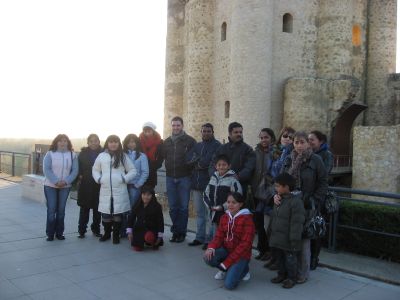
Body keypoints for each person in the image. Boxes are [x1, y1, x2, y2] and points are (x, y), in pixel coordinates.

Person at [281, 131, 328, 283]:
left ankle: (303, 273)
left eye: (302, 142)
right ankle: (289, 271)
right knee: (290, 238)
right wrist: (278, 195)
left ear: (308, 144)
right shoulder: (289, 159)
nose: (299, 145)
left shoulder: (316, 160)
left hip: (307, 205)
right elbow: (282, 180)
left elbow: (322, 182)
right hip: (290, 203)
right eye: (296, 142)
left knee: (304, 240)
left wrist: (315, 199)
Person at [203, 192, 255, 290]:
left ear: (241, 204)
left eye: (234, 202)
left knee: (229, 285)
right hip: (227, 250)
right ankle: (227, 269)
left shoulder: (247, 220)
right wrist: (211, 247)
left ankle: (244, 269)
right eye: (228, 202)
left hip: (241, 255)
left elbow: (245, 245)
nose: (230, 205)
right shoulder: (224, 217)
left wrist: (226, 263)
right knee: (207, 256)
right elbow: (218, 236)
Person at [92, 135, 136, 244]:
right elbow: (95, 169)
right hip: (105, 190)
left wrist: (124, 178)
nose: (113, 144)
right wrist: (99, 178)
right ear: (107, 143)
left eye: (115, 142)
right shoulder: (101, 156)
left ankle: (116, 235)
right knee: (106, 214)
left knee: (117, 214)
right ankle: (107, 233)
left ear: (119, 144)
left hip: (119, 189)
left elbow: (133, 171)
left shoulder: (123, 156)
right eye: (111, 142)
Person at [161, 116, 196, 243]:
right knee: (173, 207)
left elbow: (195, 159)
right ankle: (176, 231)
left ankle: (181, 233)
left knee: (183, 208)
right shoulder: (167, 142)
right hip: (170, 177)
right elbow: (163, 157)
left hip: (184, 178)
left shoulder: (190, 141)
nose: (176, 127)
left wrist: (189, 171)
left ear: (182, 126)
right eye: (174, 125)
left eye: (178, 125)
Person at [186, 123, 221, 248]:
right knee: (200, 213)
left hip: (209, 184)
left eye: (208, 131)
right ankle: (199, 237)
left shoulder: (217, 145)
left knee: (210, 213)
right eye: (204, 131)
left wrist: (199, 161)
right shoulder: (197, 145)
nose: (206, 133)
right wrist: (199, 161)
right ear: (201, 132)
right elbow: (189, 159)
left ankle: (210, 240)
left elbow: (210, 161)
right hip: (196, 183)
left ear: (212, 132)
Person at [269, 173, 306, 289]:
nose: (276, 188)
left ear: (286, 187)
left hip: (289, 239)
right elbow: (274, 217)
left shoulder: (296, 202)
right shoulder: (279, 199)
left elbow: (297, 223)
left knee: (290, 260)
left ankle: (291, 278)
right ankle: (281, 274)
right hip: (278, 237)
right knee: (280, 258)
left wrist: (294, 239)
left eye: (278, 186)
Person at [43, 134, 79, 241]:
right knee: (51, 209)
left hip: (65, 186)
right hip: (50, 186)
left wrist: (66, 181)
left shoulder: (72, 155)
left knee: (61, 210)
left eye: (65, 141)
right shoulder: (50, 154)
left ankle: (59, 233)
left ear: (68, 142)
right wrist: (56, 181)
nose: (63, 143)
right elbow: (47, 169)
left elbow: (75, 170)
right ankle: (50, 234)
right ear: (56, 142)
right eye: (60, 141)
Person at [203, 154, 242, 249]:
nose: (221, 167)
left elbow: (237, 196)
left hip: (225, 212)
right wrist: (209, 205)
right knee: (213, 229)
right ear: (216, 166)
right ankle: (213, 247)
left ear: (229, 166)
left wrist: (223, 207)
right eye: (219, 165)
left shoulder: (233, 179)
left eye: (224, 165)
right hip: (213, 210)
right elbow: (206, 193)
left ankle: (221, 249)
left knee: (223, 231)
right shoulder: (213, 177)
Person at [308, 130, 334, 270]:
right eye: (309, 139)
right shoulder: (308, 155)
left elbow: (324, 175)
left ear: (321, 141)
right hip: (308, 196)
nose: (309, 141)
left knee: (316, 228)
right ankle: (307, 256)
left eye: (312, 139)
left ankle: (314, 258)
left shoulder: (326, 155)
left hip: (318, 197)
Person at [251, 128, 277, 260]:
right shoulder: (256, 152)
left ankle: (271, 252)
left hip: (270, 194)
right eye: (261, 138)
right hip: (257, 193)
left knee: (270, 225)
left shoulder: (276, 152)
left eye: (266, 137)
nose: (263, 140)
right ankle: (262, 249)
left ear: (271, 138)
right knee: (259, 223)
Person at [212, 122, 255, 197]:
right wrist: (215, 177)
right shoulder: (222, 148)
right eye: (236, 132)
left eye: (240, 132)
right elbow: (213, 164)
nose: (239, 134)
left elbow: (249, 167)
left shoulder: (248, 149)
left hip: (239, 186)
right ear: (230, 133)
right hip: (221, 186)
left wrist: (238, 176)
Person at [121, 134, 149, 237]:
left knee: (132, 210)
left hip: (135, 186)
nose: (131, 144)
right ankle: (123, 230)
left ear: (137, 143)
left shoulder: (142, 156)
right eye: (129, 142)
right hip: (123, 185)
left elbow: (145, 172)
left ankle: (131, 230)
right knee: (123, 208)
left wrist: (138, 185)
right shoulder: (122, 155)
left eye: (133, 142)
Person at [77, 134, 103, 238]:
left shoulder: (104, 153)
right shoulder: (83, 153)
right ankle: (82, 230)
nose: (93, 143)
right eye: (91, 141)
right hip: (85, 185)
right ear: (88, 143)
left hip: (99, 185)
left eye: (95, 140)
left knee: (97, 210)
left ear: (99, 141)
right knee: (84, 209)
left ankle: (96, 229)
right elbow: (78, 167)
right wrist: (79, 177)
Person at [127, 186, 164, 251]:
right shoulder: (137, 205)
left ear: (152, 196)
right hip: (139, 229)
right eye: (144, 194)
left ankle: (151, 241)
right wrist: (129, 232)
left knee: (149, 237)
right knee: (137, 249)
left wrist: (160, 236)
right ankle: (143, 242)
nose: (146, 197)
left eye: (148, 195)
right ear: (141, 194)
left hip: (152, 229)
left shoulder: (157, 206)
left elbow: (160, 222)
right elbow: (131, 218)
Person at [139, 122, 163, 189]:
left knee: (150, 192)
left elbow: (161, 156)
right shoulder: (139, 141)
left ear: (153, 131)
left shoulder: (160, 142)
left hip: (152, 170)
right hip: (141, 170)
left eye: (149, 131)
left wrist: (156, 165)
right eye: (145, 131)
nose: (147, 133)